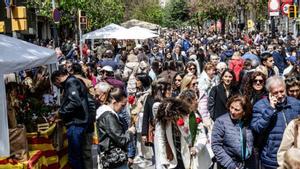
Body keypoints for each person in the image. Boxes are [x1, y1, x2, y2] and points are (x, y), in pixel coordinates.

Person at [250, 76, 300, 169]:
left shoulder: (296, 104)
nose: (280, 95)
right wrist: (270, 109)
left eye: (282, 91)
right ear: (269, 93)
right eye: (275, 93)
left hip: (293, 157)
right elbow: (257, 128)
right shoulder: (260, 106)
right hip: (272, 157)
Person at [51, 68, 93, 169]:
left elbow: (75, 102)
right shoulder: (73, 81)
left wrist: (60, 112)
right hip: (79, 122)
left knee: (75, 156)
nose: (58, 87)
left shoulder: (71, 82)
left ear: (57, 79)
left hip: (77, 123)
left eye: (56, 85)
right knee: (78, 154)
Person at [211, 95, 255, 169]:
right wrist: (231, 166)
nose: (232, 111)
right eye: (231, 107)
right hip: (230, 165)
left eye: (237, 109)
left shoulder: (248, 121)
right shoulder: (221, 122)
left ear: (244, 112)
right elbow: (216, 146)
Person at [96, 88, 136, 169]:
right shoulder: (108, 116)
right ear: (114, 102)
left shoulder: (108, 114)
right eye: (122, 105)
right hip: (114, 159)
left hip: (112, 157)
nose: (123, 108)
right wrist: (130, 132)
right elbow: (121, 140)